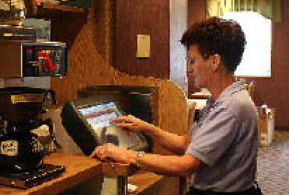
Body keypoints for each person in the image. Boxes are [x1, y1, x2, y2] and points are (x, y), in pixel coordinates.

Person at [90, 17, 259, 195]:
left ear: (214, 61)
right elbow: (187, 143)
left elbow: (186, 165)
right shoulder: (220, 100)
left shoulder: (231, 107)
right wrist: (144, 127)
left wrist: (128, 155)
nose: (188, 69)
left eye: (192, 61)